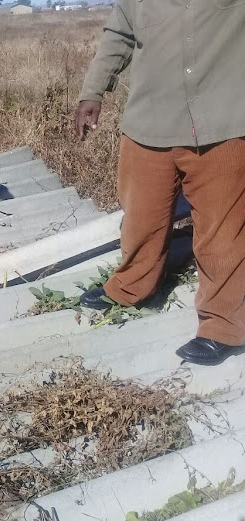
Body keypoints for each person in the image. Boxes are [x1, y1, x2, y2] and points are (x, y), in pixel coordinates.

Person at [75, 0, 245, 366]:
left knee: (223, 231)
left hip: (223, 123)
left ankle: (223, 326)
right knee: (141, 219)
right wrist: (93, 92)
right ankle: (134, 288)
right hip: (149, 123)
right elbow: (119, 33)